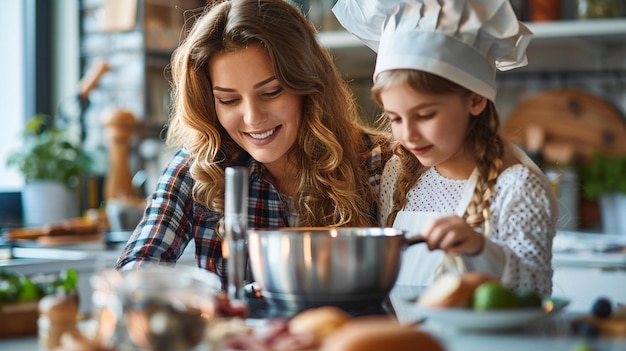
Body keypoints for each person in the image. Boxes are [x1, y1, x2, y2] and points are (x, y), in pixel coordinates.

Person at [115, 0, 391, 288]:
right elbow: (137, 271)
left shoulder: (377, 163)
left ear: (309, 86)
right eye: (229, 100)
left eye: (271, 92)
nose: (252, 117)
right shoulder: (198, 167)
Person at [334, 0, 558, 295]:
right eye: (395, 118)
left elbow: (535, 290)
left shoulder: (516, 188)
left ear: (475, 100)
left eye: (425, 115)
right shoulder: (398, 174)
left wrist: (480, 248)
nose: (408, 134)